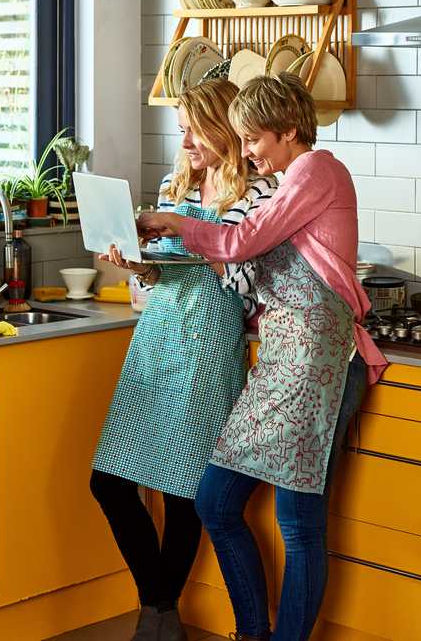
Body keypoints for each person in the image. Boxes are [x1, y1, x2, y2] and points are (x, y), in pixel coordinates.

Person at [136, 73, 388, 641]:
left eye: (254, 140)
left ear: (290, 132)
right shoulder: (291, 177)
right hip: (282, 362)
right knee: (216, 503)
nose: (247, 151)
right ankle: (253, 632)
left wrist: (175, 223)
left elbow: (243, 240)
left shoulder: (318, 170)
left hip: (319, 365)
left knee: (298, 526)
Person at [90, 78, 278, 641]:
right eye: (183, 129)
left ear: (226, 128)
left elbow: (253, 283)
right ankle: (161, 606)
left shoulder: (261, 194)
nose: (187, 139)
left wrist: (190, 235)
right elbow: (157, 280)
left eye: (196, 128)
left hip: (208, 340)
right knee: (109, 483)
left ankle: (156, 615)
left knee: (183, 489)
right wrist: (139, 266)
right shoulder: (180, 184)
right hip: (157, 334)